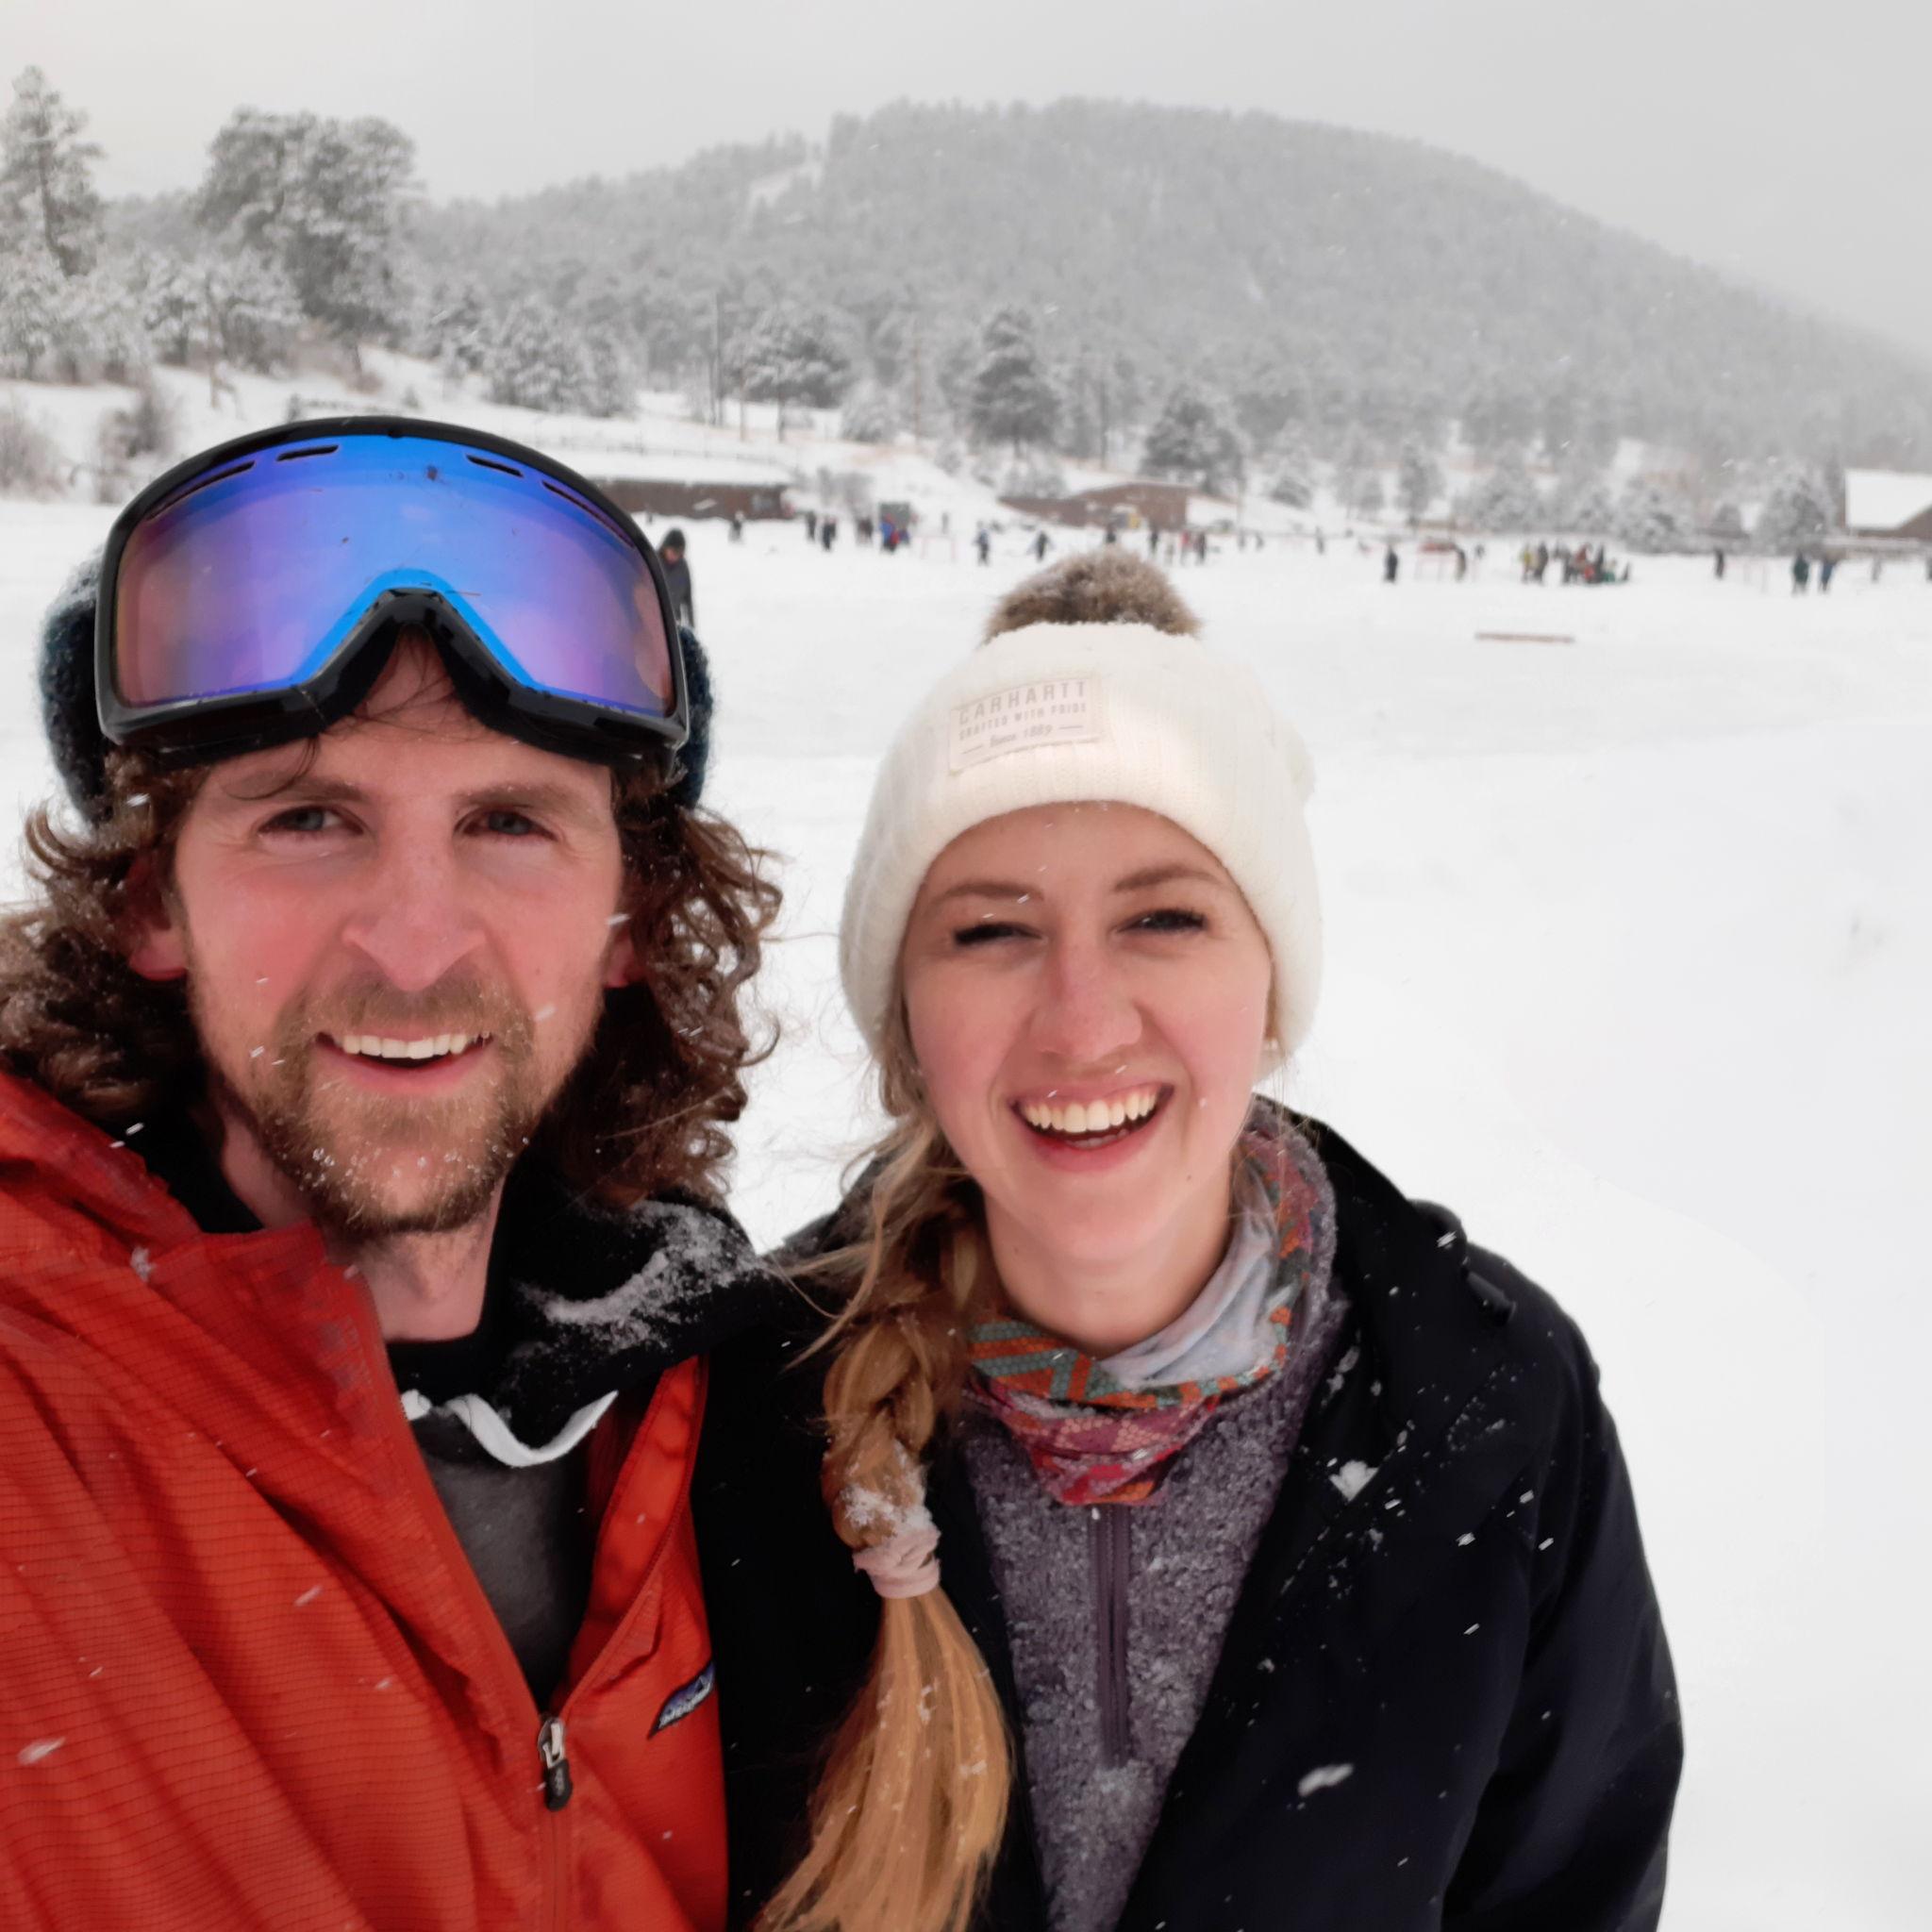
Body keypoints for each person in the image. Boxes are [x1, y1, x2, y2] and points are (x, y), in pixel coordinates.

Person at [698, 550, 1682, 1932]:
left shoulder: (1491, 1404)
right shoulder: (748, 1409)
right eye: (991, 930)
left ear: (1269, 980)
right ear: (906, 1027)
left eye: (1164, 916)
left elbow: (1569, 1891)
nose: (1083, 1019)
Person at [0, 420, 782, 1930]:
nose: (414, 944)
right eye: (308, 819)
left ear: (630, 919)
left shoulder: (734, 1421)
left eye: (508, 823)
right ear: (153, 899)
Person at [660, 525, 696, 629]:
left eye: (678, 553)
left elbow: (687, 599)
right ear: (665, 547)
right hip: (654, 618)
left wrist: (691, 626)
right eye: (672, 551)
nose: (675, 556)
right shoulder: (654, 563)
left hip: (674, 621)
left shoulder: (683, 567)